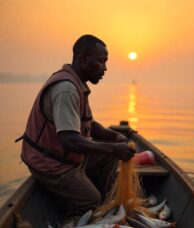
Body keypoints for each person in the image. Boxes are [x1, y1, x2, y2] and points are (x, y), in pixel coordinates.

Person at [18, 34, 135, 215]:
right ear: (82, 59)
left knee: (110, 156)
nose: (105, 68)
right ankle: (87, 205)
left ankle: (102, 200)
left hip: (69, 159)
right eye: (101, 61)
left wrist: (114, 137)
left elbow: (89, 124)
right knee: (92, 201)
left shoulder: (77, 84)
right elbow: (70, 141)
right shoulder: (66, 89)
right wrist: (113, 149)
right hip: (51, 164)